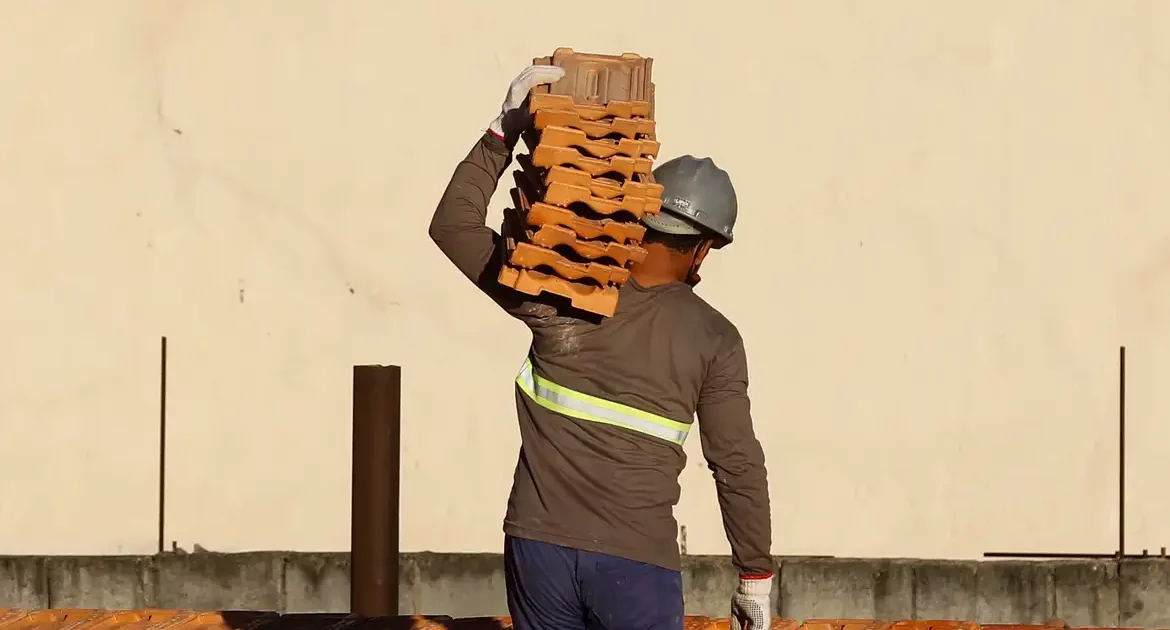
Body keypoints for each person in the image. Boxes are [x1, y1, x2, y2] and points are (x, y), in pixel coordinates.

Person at [429, 65, 773, 630]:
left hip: (537, 549)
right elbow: (736, 464)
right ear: (703, 249)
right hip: (636, 567)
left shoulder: (559, 289)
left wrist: (503, 131)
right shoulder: (715, 340)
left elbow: (453, 226)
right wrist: (754, 575)